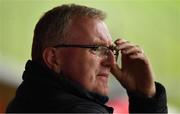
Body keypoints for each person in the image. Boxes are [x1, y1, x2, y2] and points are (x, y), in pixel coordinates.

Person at [6, 4, 167, 113]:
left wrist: (145, 97)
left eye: (111, 50)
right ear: (53, 58)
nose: (111, 62)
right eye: (97, 48)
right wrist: (147, 102)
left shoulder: (28, 97)